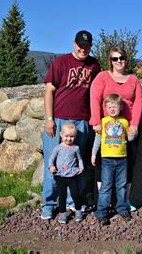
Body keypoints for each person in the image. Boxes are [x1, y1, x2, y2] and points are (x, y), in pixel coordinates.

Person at [41, 30, 101, 220]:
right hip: (59, 120)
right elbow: (49, 90)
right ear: (74, 44)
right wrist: (49, 119)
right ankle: (49, 204)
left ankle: (71, 203)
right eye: (80, 45)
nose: (83, 49)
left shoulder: (94, 65)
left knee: (76, 165)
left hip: (82, 122)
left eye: (87, 46)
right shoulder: (61, 62)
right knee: (53, 165)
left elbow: (97, 92)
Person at [89, 46, 142, 211]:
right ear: (110, 61)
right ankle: (102, 202)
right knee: (101, 164)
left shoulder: (133, 79)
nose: (118, 61)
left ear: (126, 60)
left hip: (126, 130)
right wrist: (96, 122)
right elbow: (94, 99)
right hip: (106, 128)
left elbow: (138, 103)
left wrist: (134, 125)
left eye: (121, 58)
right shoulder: (102, 77)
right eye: (115, 58)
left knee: (128, 165)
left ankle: (123, 200)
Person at [91, 94, 133, 225]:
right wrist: (93, 154)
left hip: (122, 159)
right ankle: (102, 211)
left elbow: (128, 138)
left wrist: (133, 134)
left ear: (120, 107)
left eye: (114, 106)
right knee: (106, 186)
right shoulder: (103, 122)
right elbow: (97, 139)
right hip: (107, 159)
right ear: (106, 108)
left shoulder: (125, 122)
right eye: (109, 107)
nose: (112, 109)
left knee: (121, 185)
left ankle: (121, 208)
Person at [48, 123, 84, 223]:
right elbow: (51, 159)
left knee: (75, 195)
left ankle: (78, 211)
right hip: (61, 176)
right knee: (62, 196)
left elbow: (79, 159)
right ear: (61, 134)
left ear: (75, 137)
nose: (68, 139)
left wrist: (81, 167)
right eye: (66, 136)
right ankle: (63, 214)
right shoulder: (58, 148)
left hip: (72, 175)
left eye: (71, 136)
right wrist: (51, 166)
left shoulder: (76, 148)